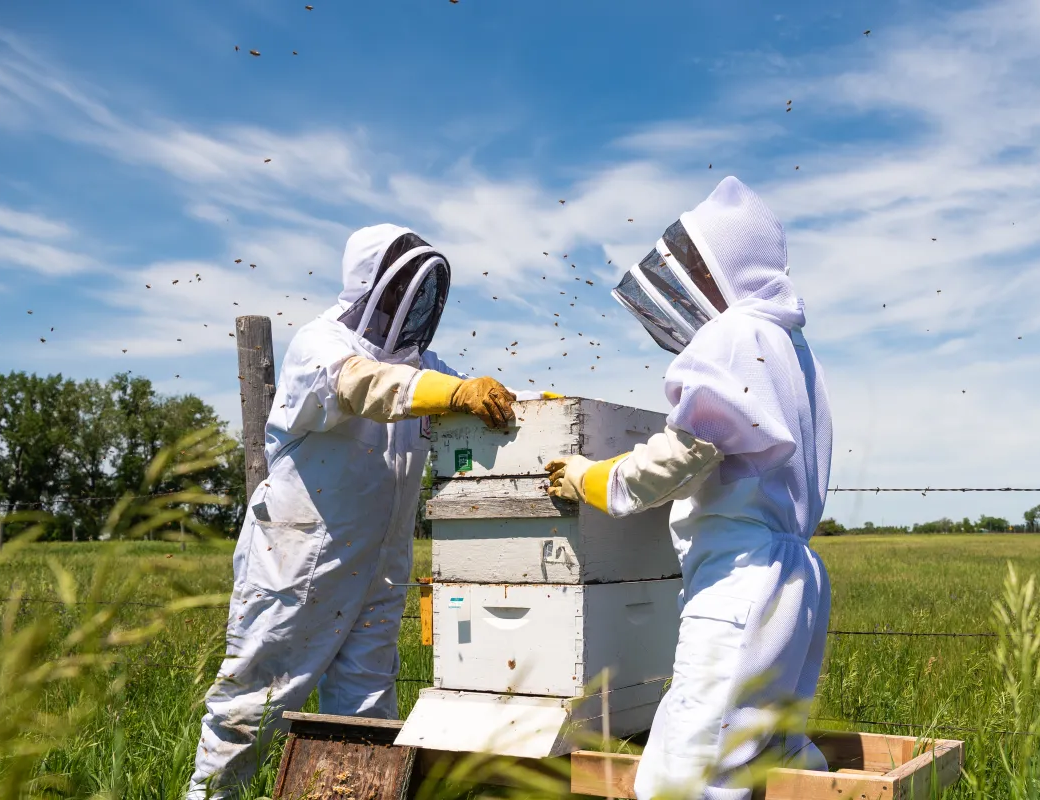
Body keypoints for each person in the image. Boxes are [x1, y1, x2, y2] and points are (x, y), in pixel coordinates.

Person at [187, 224, 517, 799]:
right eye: (399, 290)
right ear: (371, 286)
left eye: (416, 293)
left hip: (382, 567)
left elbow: (458, 402)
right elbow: (361, 384)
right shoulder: (321, 345)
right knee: (255, 701)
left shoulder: (425, 365)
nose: (407, 304)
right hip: (299, 563)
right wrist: (452, 392)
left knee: (366, 712)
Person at [545, 177, 833, 800]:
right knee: (770, 755)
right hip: (797, 582)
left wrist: (592, 477)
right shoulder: (793, 349)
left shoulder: (736, 334)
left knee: (689, 770)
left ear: (722, 270)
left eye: (699, 269)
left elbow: (685, 452)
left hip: (741, 577)